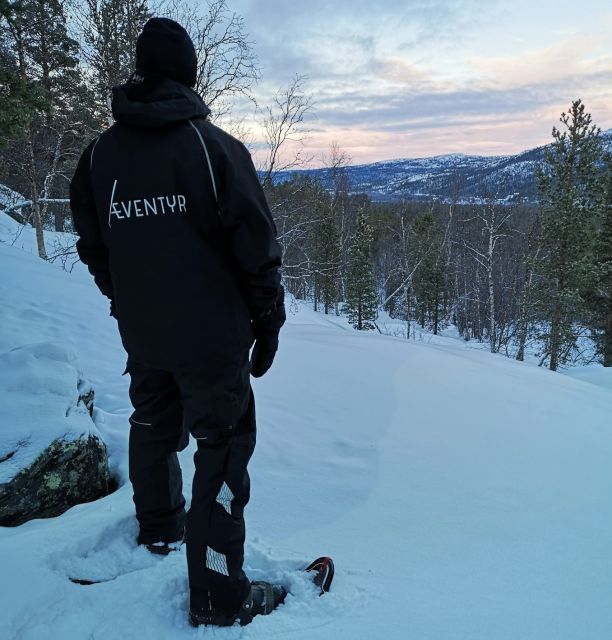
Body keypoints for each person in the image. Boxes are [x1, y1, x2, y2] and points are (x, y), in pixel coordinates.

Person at [69, 17, 286, 627]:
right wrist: (268, 319)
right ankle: (218, 594)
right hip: (212, 341)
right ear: (188, 74)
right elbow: (257, 246)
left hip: (146, 333)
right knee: (221, 446)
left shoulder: (98, 156)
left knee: (153, 422)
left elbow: (94, 245)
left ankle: (161, 529)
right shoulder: (212, 148)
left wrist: (125, 299)